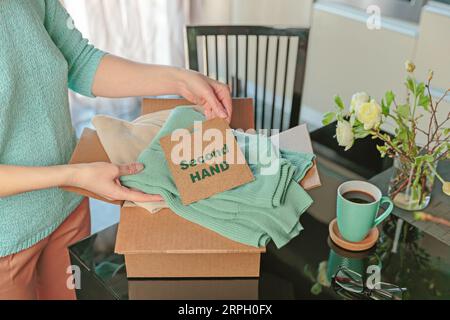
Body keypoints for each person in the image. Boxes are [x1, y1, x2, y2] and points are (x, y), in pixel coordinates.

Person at [0, 0, 232, 300]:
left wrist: (180, 78)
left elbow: (81, 61)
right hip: (7, 243)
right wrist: (73, 174)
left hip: (68, 211)